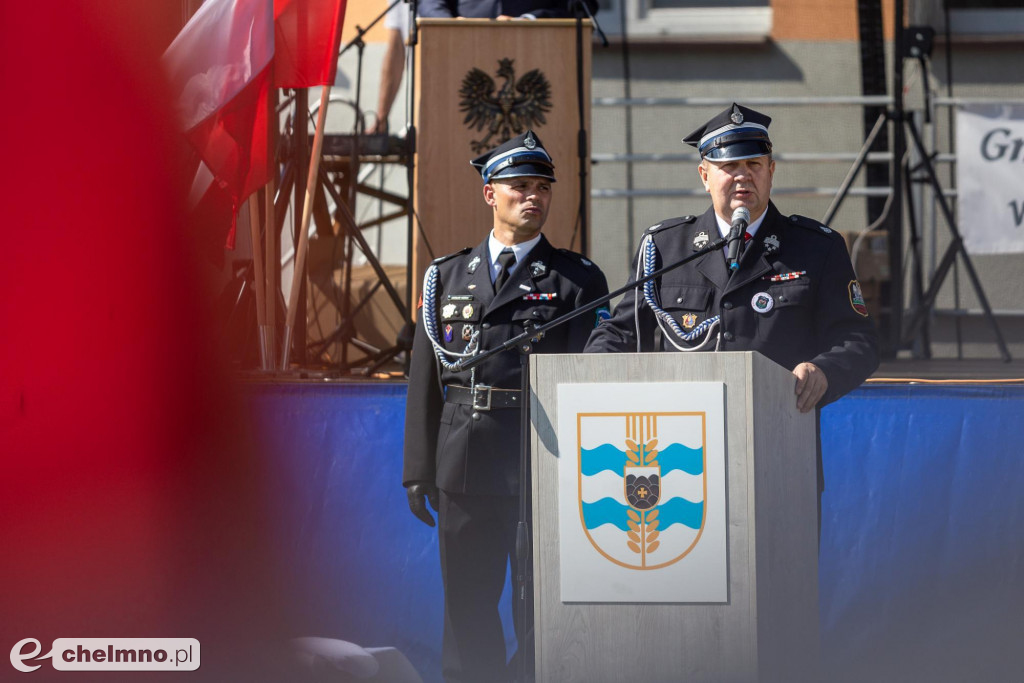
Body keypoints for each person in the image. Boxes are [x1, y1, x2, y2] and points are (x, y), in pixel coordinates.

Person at [585, 103, 879, 497]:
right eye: (729, 167)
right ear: (705, 175)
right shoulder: (666, 248)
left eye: (754, 165)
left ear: (771, 171)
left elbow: (859, 340)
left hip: (778, 448)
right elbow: (621, 334)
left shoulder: (816, 249)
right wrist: (589, 381)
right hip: (677, 456)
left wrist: (824, 371)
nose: (743, 176)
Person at [403, 130, 608, 683]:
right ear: (490, 193)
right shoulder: (444, 277)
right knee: (466, 609)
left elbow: (596, 376)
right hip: (462, 462)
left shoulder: (578, 280)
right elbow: (424, 380)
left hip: (540, 461)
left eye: (543, 187)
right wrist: (419, 470)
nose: (534, 197)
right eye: (520, 186)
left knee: (541, 609)